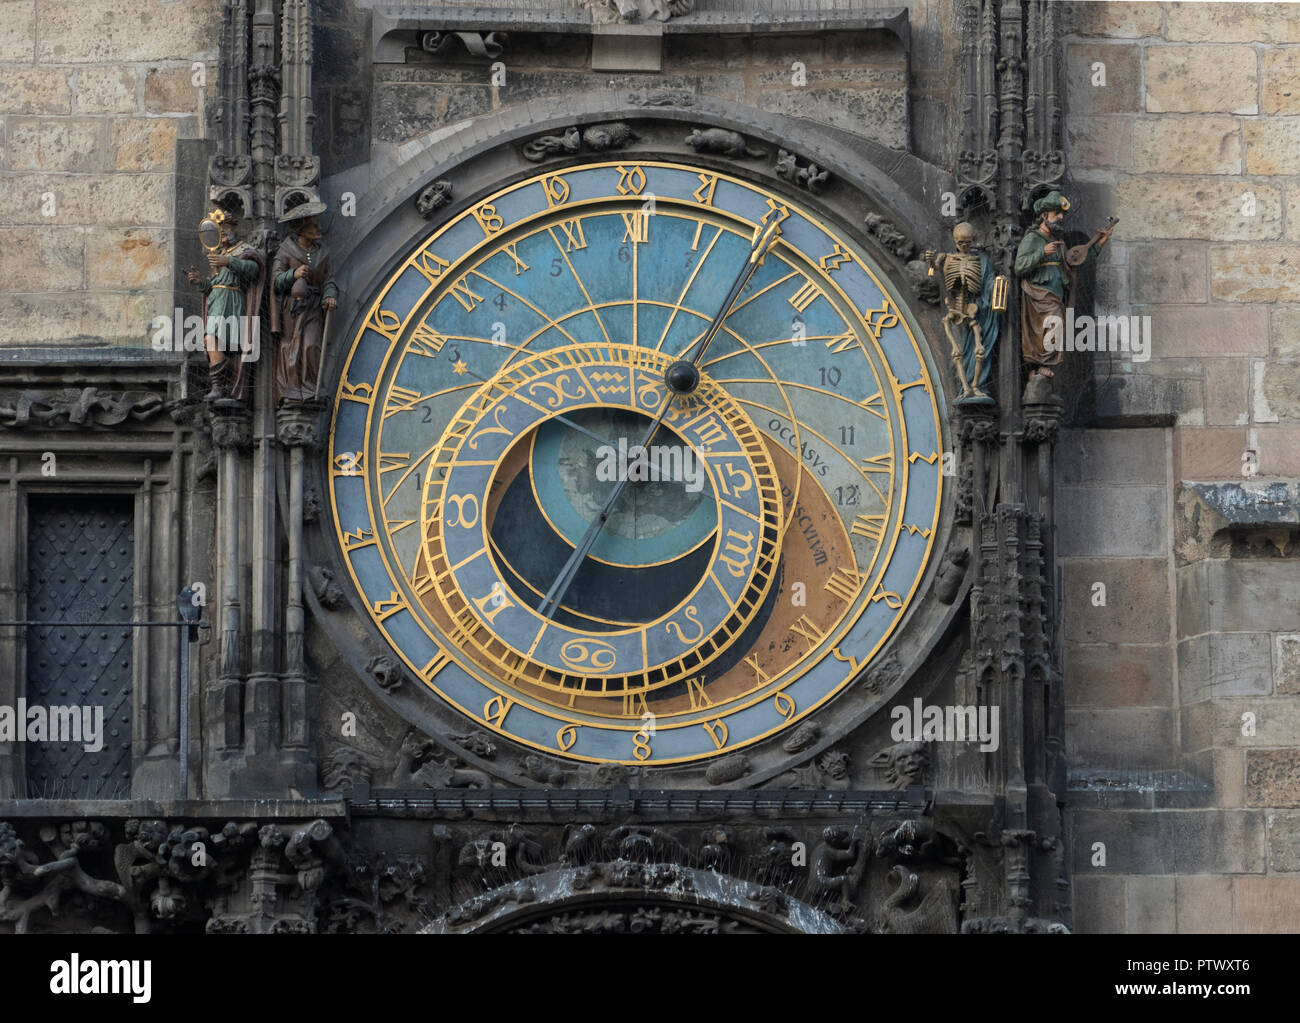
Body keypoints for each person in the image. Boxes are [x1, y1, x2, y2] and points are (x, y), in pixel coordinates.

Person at [1015, 190, 1112, 381]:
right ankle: (1037, 366)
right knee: (1051, 325)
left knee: (1055, 326)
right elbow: (1019, 266)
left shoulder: (1057, 243)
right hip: (1039, 296)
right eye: (1056, 213)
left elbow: (1075, 260)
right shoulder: (1033, 239)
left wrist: (1101, 242)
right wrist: (1042, 253)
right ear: (1044, 216)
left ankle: (1043, 365)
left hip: (1057, 295)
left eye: (1062, 214)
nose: (1060, 217)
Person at [186, 204, 266, 401]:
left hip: (232, 301)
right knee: (210, 340)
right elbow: (214, 284)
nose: (222, 233)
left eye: (225, 228)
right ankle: (219, 385)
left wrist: (228, 262)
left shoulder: (244, 249)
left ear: (234, 227)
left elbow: (254, 269)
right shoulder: (219, 253)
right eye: (218, 230)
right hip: (216, 301)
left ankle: (222, 384)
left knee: (216, 340)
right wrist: (200, 282)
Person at [271, 201, 338, 404]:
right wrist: (293, 273)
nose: (319, 228)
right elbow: (275, 280)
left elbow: (329, 279)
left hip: (314, 307)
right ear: (302, 229)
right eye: (314, 225)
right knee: (293, 347)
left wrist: (330, 294)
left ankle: (311, 388)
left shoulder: (322, 252)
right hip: (293, 309)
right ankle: (292, 389)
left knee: (311, 345)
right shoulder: (286, 250)